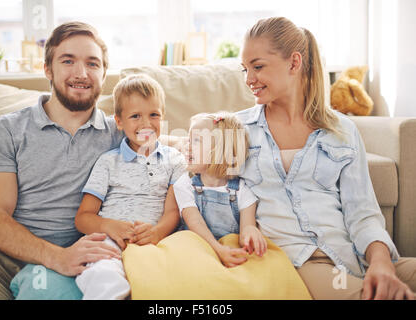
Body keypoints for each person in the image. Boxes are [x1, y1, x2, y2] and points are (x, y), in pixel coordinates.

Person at [238, 16, 416, 300]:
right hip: (309, 262)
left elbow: (363, 212)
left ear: (294, 63)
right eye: (245, 69)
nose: (249, 79)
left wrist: (381, 263)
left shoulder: (342, 130)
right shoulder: (239, 129)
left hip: (354, 254)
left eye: (257, 67)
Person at [0, 21, 124, 300]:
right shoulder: (7, 131)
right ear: (48, 69)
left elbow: (171, 144)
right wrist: (58, 258)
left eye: (92, 64)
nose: (81, 73)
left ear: (104, 74)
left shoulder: (120, 135)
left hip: (84, 258)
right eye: (68, 61)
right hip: (1, 255)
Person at [74, 74, 186, 299]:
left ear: (162, 117)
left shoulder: (175, 159)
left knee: (173, 277)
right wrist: (109, 227)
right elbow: (83, 218)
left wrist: (156, 233)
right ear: (119, 121)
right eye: (135, 116)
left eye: (154, 115)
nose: (146, 124)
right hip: (111, 240)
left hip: (155, 241)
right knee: (103, 274)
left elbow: (173, 211)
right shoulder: (108, 161)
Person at [173, 111, 266, 268]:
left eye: (195, 140)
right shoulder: (184, 185)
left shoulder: (243, 191)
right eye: (188, 140)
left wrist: (250, 232)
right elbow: (195, 223)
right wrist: (218, 250)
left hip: (229, 247)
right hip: (196, 245)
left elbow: (247, 227)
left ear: (221, 151)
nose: (186, 146)